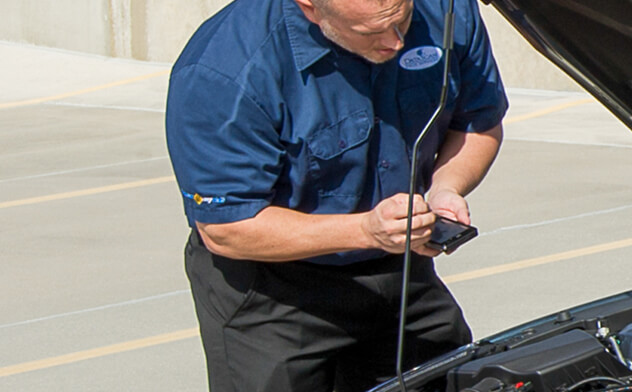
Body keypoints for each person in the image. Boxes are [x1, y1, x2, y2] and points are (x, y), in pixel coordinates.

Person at [164, 0, 507, 390]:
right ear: (310, 7)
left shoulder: (447, 10)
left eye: (404, 21)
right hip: (273, 291)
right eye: (371, 32)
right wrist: (366, 231)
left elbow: (478, 123)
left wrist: (446, 188)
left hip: (398, 268)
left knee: (451, 378)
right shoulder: (224, 70)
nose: (395, 43)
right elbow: (227, 227)